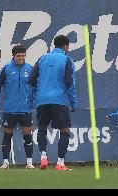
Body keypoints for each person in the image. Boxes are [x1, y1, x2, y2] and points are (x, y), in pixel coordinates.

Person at [29, 35, 78, 171]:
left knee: (42, 128)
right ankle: (60, 163)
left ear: (54, 45)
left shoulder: (42, 58)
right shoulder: (67, 60)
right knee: (65, 130)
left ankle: (43, 157)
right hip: (59, 100)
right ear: (66, 46)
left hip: (42, 100)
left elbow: (32, 79)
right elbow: (70, 84)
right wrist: (73, 104)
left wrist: (34, 98)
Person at [0, 45, 35, 169]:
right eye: (18, 56)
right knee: (7, 135)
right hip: (9, 109)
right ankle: (5, 162)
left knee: (27, 135)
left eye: (23, 55)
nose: (21, 58)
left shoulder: (30, 69)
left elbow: (35, 88)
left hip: (25, 109)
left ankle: (30, 163)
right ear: (13, 56)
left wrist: (33, 102)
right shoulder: (6, 69)